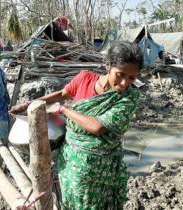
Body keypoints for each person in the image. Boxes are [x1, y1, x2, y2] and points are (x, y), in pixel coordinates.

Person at [10, 41, 143, 209]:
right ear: (108, 65)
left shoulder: (129, 98)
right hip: (72, 164)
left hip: (103, 170)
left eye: (132, 78)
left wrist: (64, 110)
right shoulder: (84, 78)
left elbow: (97, 127)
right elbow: (63, 94)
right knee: (71, 202)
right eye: (120, 74)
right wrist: (31, 102)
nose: (124, 83)